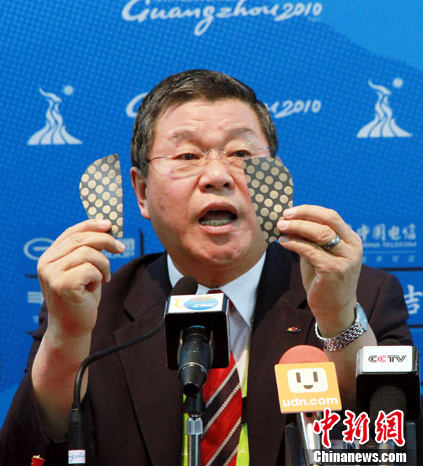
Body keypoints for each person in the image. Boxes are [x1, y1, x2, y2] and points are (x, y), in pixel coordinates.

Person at [0, 70, 417, 465]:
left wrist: (339, 318)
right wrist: (66, 339)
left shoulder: (358, 296)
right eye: (187, 155)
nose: (217, 175)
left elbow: (395, 450)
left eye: (241, 154)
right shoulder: (94, 307)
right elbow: (29, 456)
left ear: (276, 182)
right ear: (141, 192)